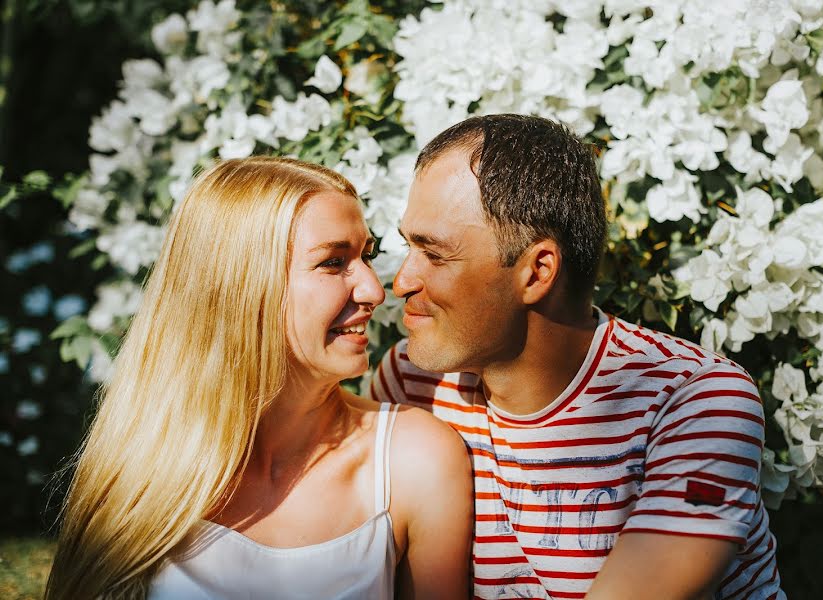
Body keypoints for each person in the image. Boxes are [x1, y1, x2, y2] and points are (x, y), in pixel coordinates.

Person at [370, 114, 785, 600]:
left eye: (434, 255)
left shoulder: (696, 401)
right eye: (408, 247)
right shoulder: (411, 383)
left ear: (537, 272)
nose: (400, 282)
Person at [45, 157, 472, 599]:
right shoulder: (140, 461)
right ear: (242, 284)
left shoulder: (413, 460)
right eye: (333, 262)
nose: (374, 290)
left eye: (366, 255)